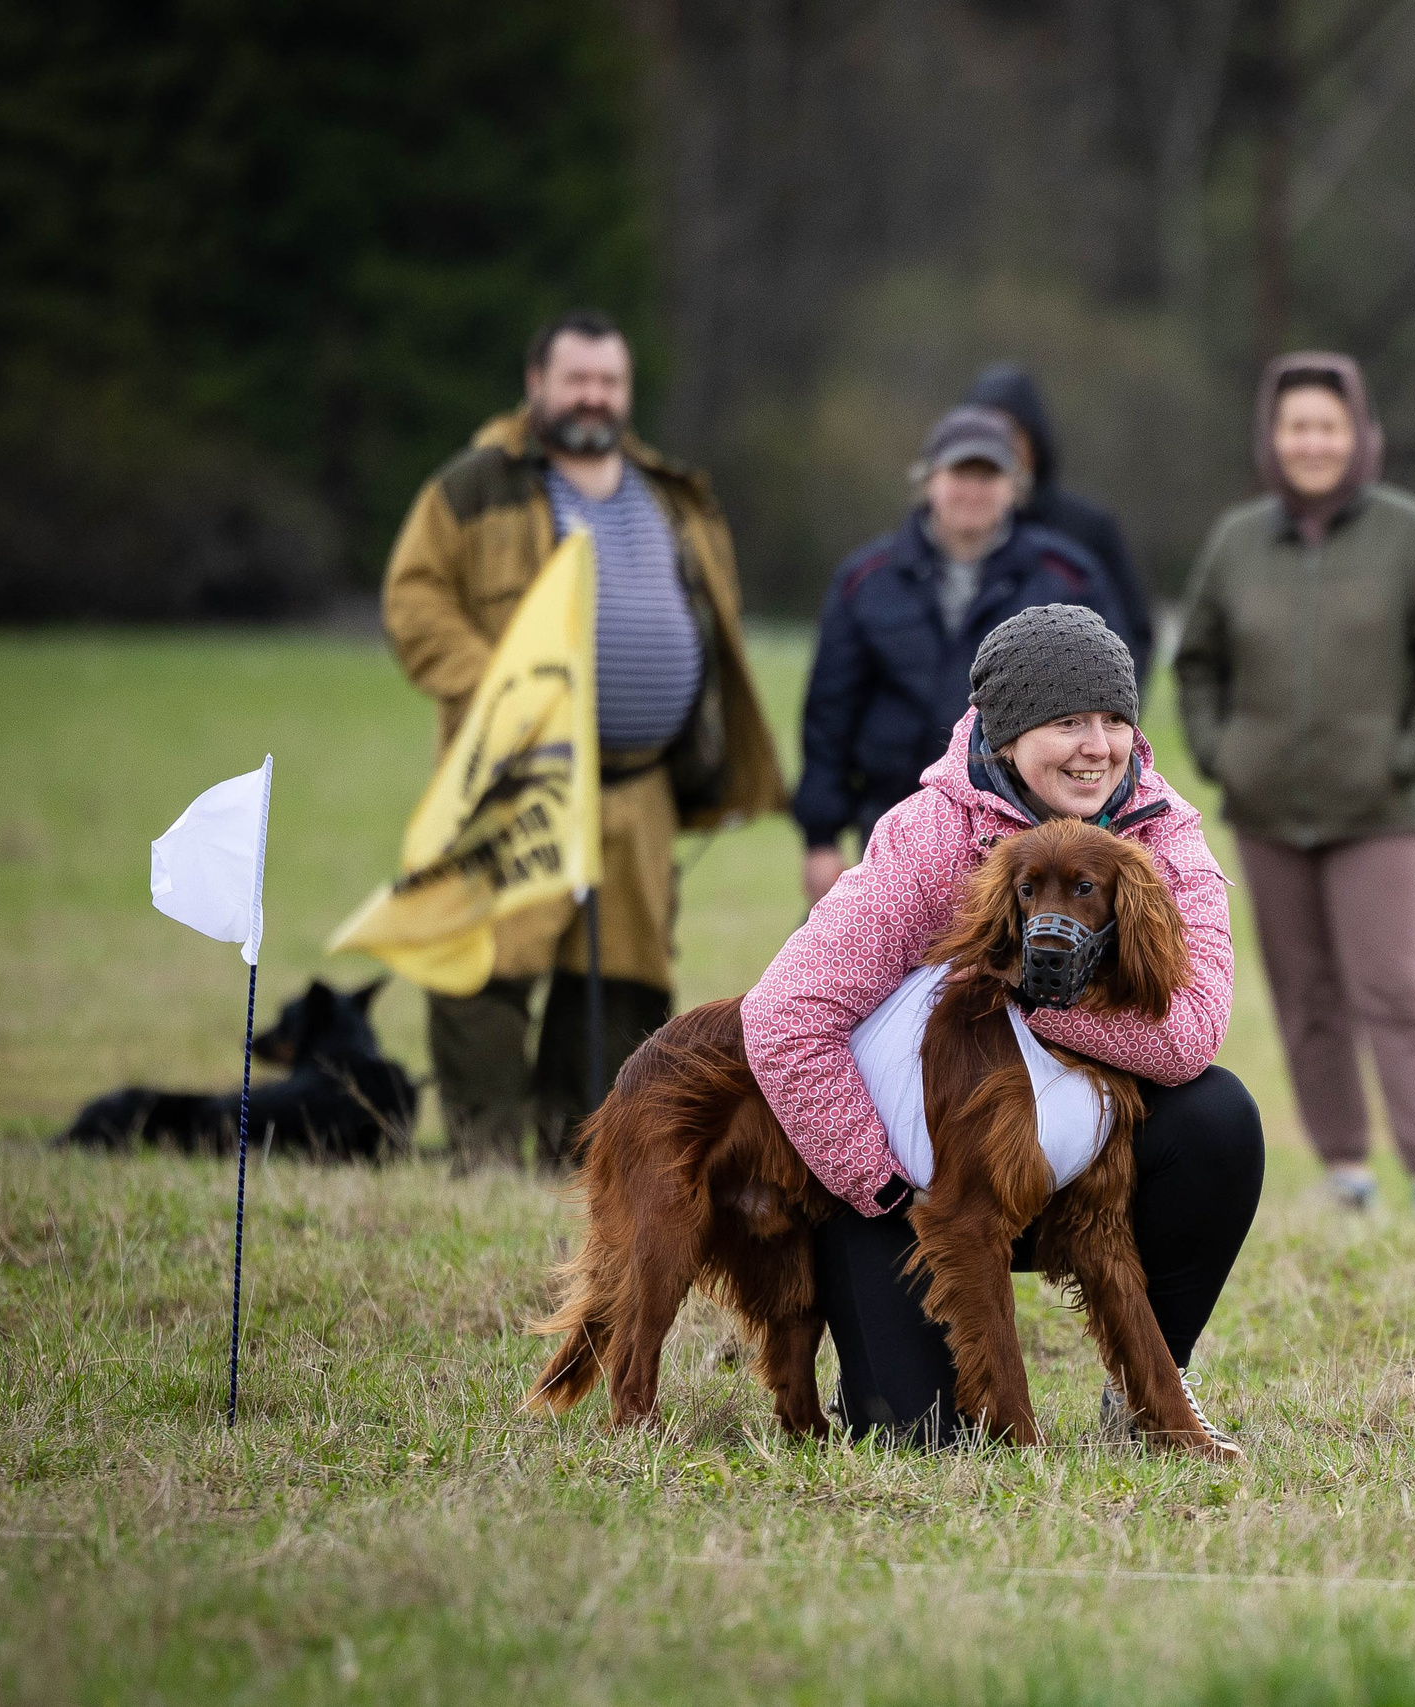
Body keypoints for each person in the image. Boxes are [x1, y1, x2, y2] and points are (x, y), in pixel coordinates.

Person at [743, 604, 1262, 1448]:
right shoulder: (932, 835)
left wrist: (1025, 993)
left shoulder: (1164, 837)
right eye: (1067, 722)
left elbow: (1189, 1033)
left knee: (1218, 1116)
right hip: (912, 1179)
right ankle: (875, 1357)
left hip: (1065, 1161)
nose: (1097, 745)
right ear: (1008, 732)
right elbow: (784, 1018)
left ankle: (1151, 1386)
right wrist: (880, 1181)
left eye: (1114, 720)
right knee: (922, 1437)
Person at [383, 308, 786, 1170]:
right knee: (485, 961)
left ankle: (585, 1160)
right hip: (518, 776)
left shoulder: (670, 493)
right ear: (537, 384)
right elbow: (413, 602)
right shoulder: (473, 486)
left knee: (621, 977)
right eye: (577, 380)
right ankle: (484, 1157)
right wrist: (501, 685)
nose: (594, 398)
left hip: (639, 785)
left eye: (610, 382)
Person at [1174, 351, 1415, 1214]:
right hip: (1268, 814)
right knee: (1305, 999)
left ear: (1358, 435)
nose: (1310, 442)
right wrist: (1222, 751)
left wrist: (1405, 757)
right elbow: (1196, 661)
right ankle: (1346, 1171)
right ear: (1270, 440)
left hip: (1381, 815)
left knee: (1391, 991)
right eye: (1294, 427)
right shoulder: (1238, 542)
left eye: (1327, 425)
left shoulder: (1409, 533)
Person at [795, 406, 1124, 905]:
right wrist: (820, 837)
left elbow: (1112, 699)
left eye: (988, 474)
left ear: (1015, 486)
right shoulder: (866, 579)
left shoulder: (1067, 576)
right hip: (888, 818)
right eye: (959, 474)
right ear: (928, 481)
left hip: (1030, 833)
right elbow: (828, 714)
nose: (973, 490)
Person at [965, 363, 1156, 676]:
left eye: (1010, 434)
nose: (996, 448)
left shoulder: (1087, 528)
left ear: (1034, 439)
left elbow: (1133, 637)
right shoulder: (945, 537)